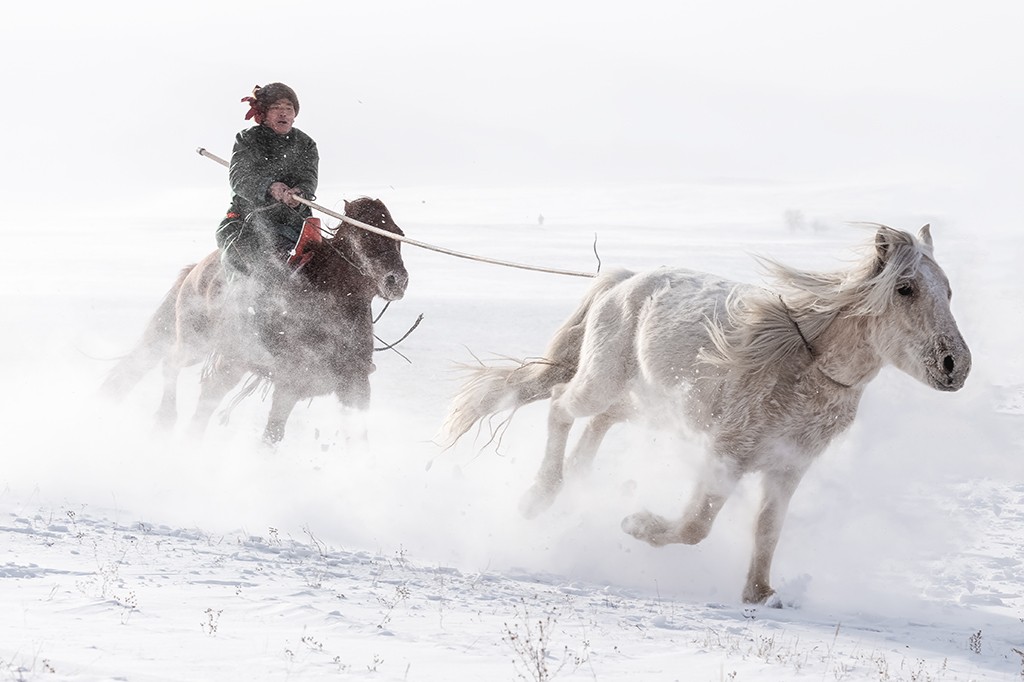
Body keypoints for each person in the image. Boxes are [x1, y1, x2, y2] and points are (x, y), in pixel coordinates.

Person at [215, 82, 319, 282]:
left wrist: (300, 193)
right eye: (277, 108)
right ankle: (239, 306)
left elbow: (309, 177)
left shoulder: (306, 143)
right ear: (264, 114)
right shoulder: (247, 139)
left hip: (295, 223)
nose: (283, 114)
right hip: (248, 221)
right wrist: (270, 187)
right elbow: (239, 178)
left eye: (288, 109)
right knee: (241, 261)